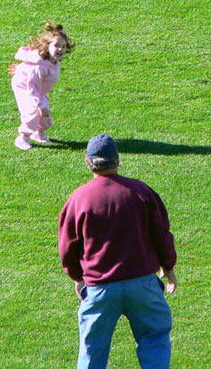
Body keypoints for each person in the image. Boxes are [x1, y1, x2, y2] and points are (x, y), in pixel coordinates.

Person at [58, 134, 178, 369]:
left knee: (92, 351)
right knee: (154, 340)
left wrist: (77, 276)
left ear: (88, 162)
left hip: (99, 289)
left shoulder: (79, 198)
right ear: (118, 160)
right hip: (143, 286)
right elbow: (162, 234)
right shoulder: (141, 192)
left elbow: (67, 245)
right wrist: (169, 266)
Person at [8, 22, 75, 150]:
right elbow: (31, 86)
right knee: (32, 113)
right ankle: (22, 138)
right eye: (56, 46)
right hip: (24, 87)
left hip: (38, 89)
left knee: (46, 116)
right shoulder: (39, 66)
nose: (60, 49)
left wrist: (21, 68)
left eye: (63, 46)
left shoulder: (55, 60)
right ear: (47, 46)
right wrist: (40, 104)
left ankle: (38, 133)